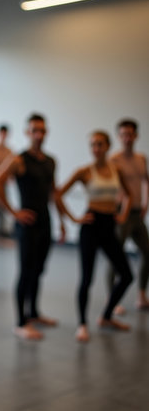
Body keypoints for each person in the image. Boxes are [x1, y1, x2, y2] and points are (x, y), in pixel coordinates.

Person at [56, 131, 133, 343]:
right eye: (92, 145)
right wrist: (74, 218)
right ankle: (82, 324)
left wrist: (123, 214)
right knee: (87, 278)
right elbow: (58, 194)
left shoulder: (116, 169)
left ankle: (106, 316)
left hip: (109, 225)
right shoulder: (84, 171)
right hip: (90, 226)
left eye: (100, 144)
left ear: (108, 146)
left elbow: (129, 195)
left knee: (126, 274)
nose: (96, 149)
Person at [0, 113, 60, 340]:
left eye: (42, 130)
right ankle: (20, 322)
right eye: (34, 130)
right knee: (25, 272)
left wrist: (62, 222)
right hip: (27, 224)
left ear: (46, 132)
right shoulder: (18, 159)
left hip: (46, 222)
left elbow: (53, 193)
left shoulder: (50, 161)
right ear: (27, 133)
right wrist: (14, 213)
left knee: (38, 271)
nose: (38, 134)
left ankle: (34, 313)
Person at [106, 119, 149, 310]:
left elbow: (145, 181)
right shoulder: (114, 160)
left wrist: (146, 202)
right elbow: (109, 187)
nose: (127, 138)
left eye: (130, 134)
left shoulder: (141, 159)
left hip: (137, 214)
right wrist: (118, 208)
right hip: (121, 215)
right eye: (123, 134)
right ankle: (112, 300)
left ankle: (141, 295)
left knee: (148, 253)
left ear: (136, 136)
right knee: (116, 256)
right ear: (119, 137)